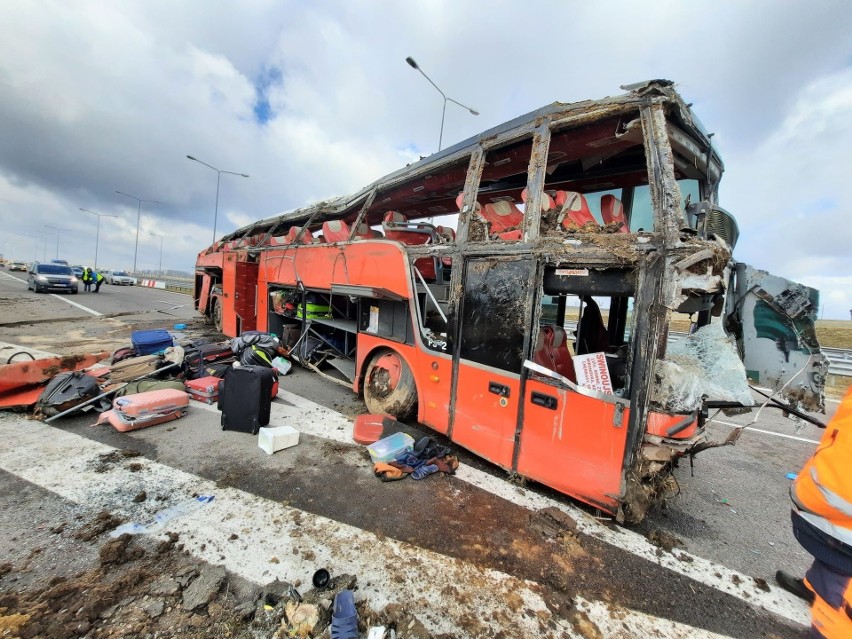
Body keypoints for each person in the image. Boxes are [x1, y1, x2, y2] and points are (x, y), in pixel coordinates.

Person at [778, 389, 852, 638]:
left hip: (830, 513)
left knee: (841, 611)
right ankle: (817, 584)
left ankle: (830, 614)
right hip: (833, 516)